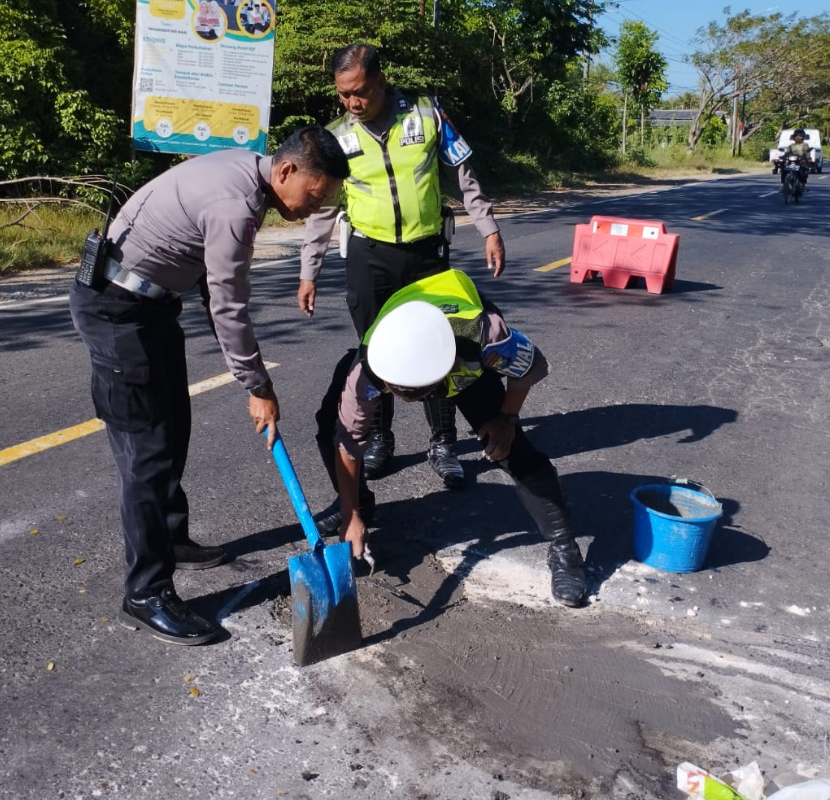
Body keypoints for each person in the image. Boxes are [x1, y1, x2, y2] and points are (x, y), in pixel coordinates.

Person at [68, 126, 349, 646]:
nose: (315, 209)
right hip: (117, 311)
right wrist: (256, 383)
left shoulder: (251, 174)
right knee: (145, 453)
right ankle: (146, 592)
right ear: (287, 171)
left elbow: (207, 269)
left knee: (173, 426)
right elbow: (228, 303)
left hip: (149, 308)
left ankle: (170, 539)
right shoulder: (236, 202)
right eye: (315, 195)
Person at [298, 43, 507, 517]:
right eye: (344, 95)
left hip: (426, 255)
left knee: (443, 347)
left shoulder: (427, 115)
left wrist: (489, 228)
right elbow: (322, 213)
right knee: (378, 351)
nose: (352, 103)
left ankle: (443, 444)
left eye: (361, 92)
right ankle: (379, 438)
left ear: (381, 79)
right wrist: (308, 271)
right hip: (369, 258)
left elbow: (464, 174)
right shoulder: (337, 137)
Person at [313, 268, 588, 607]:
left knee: (511, 450)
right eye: (396, 389)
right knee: (329, 426)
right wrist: (350, 511)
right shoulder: (370, 368)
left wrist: (506, 418)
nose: (402, 397)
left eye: (415, 391)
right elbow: (349, 441)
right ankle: (360, 507)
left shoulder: (485, 337)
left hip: (462, 358)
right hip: (408, 338)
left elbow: (530, 369)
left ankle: (565, 550)